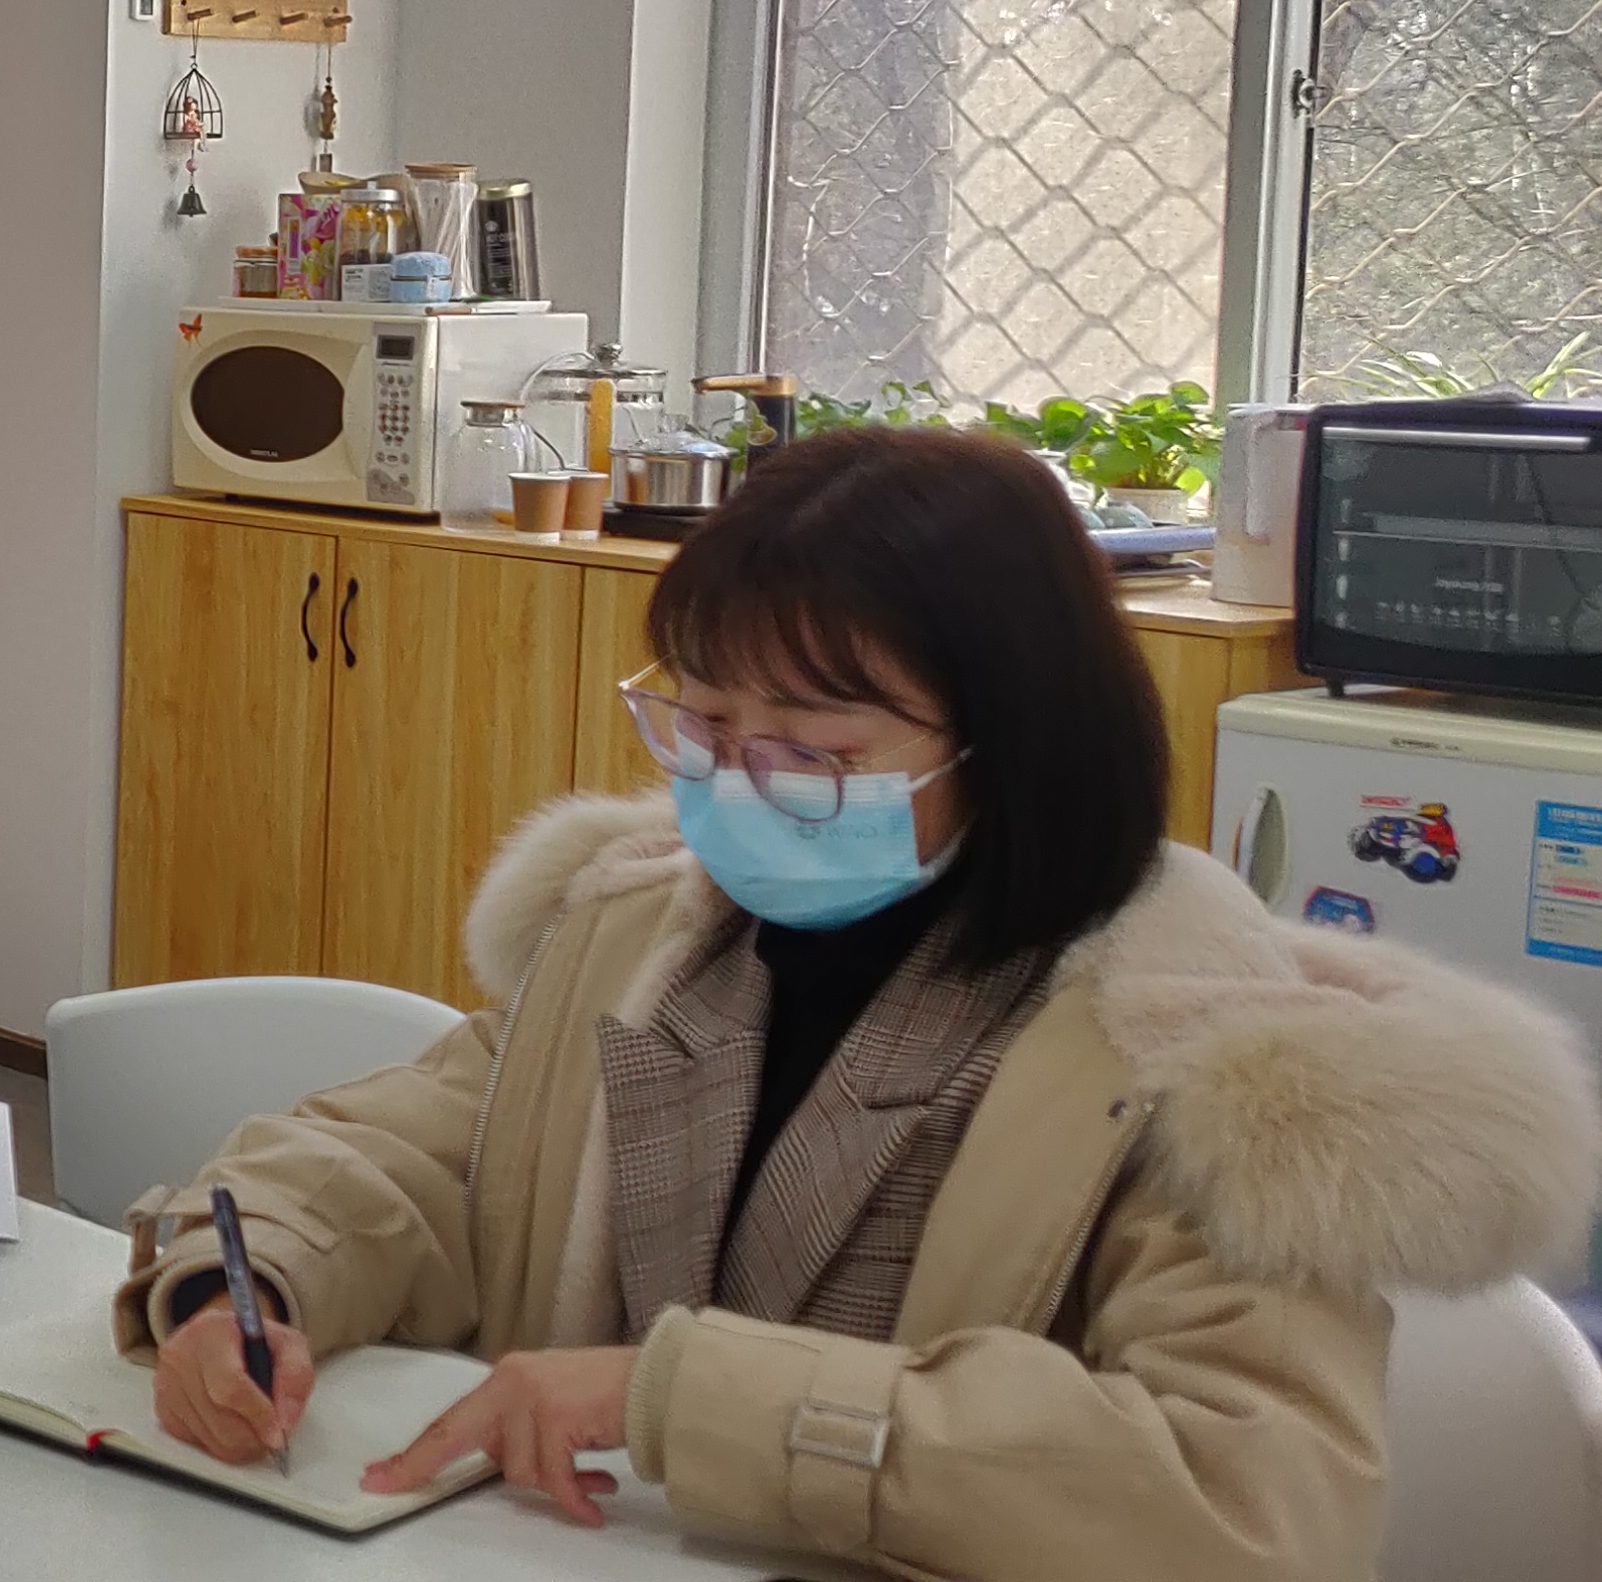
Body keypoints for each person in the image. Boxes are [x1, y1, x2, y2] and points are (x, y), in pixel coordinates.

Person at [117, 428, 1601, 1581]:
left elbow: (1245, 1506)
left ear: (1010, 742)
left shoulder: (1205, 1062)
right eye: (703, 720)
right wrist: (243, 1287)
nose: (736, 781)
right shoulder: (647, 931)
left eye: (816, 748)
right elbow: (425, 1154)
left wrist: (674, 1397)